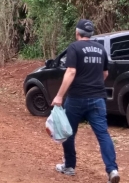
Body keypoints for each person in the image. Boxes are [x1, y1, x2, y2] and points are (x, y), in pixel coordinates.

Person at [51, 19, 120, 183]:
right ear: (91, 33)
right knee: (103, 134)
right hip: (98, 99)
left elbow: (71, 72)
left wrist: (59, 95)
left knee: (68, 132)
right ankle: (112, 170)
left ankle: (69, 166)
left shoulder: (74, 47)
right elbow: (105, 75)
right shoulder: (101, 49)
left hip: (76, 98)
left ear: (77, 32)